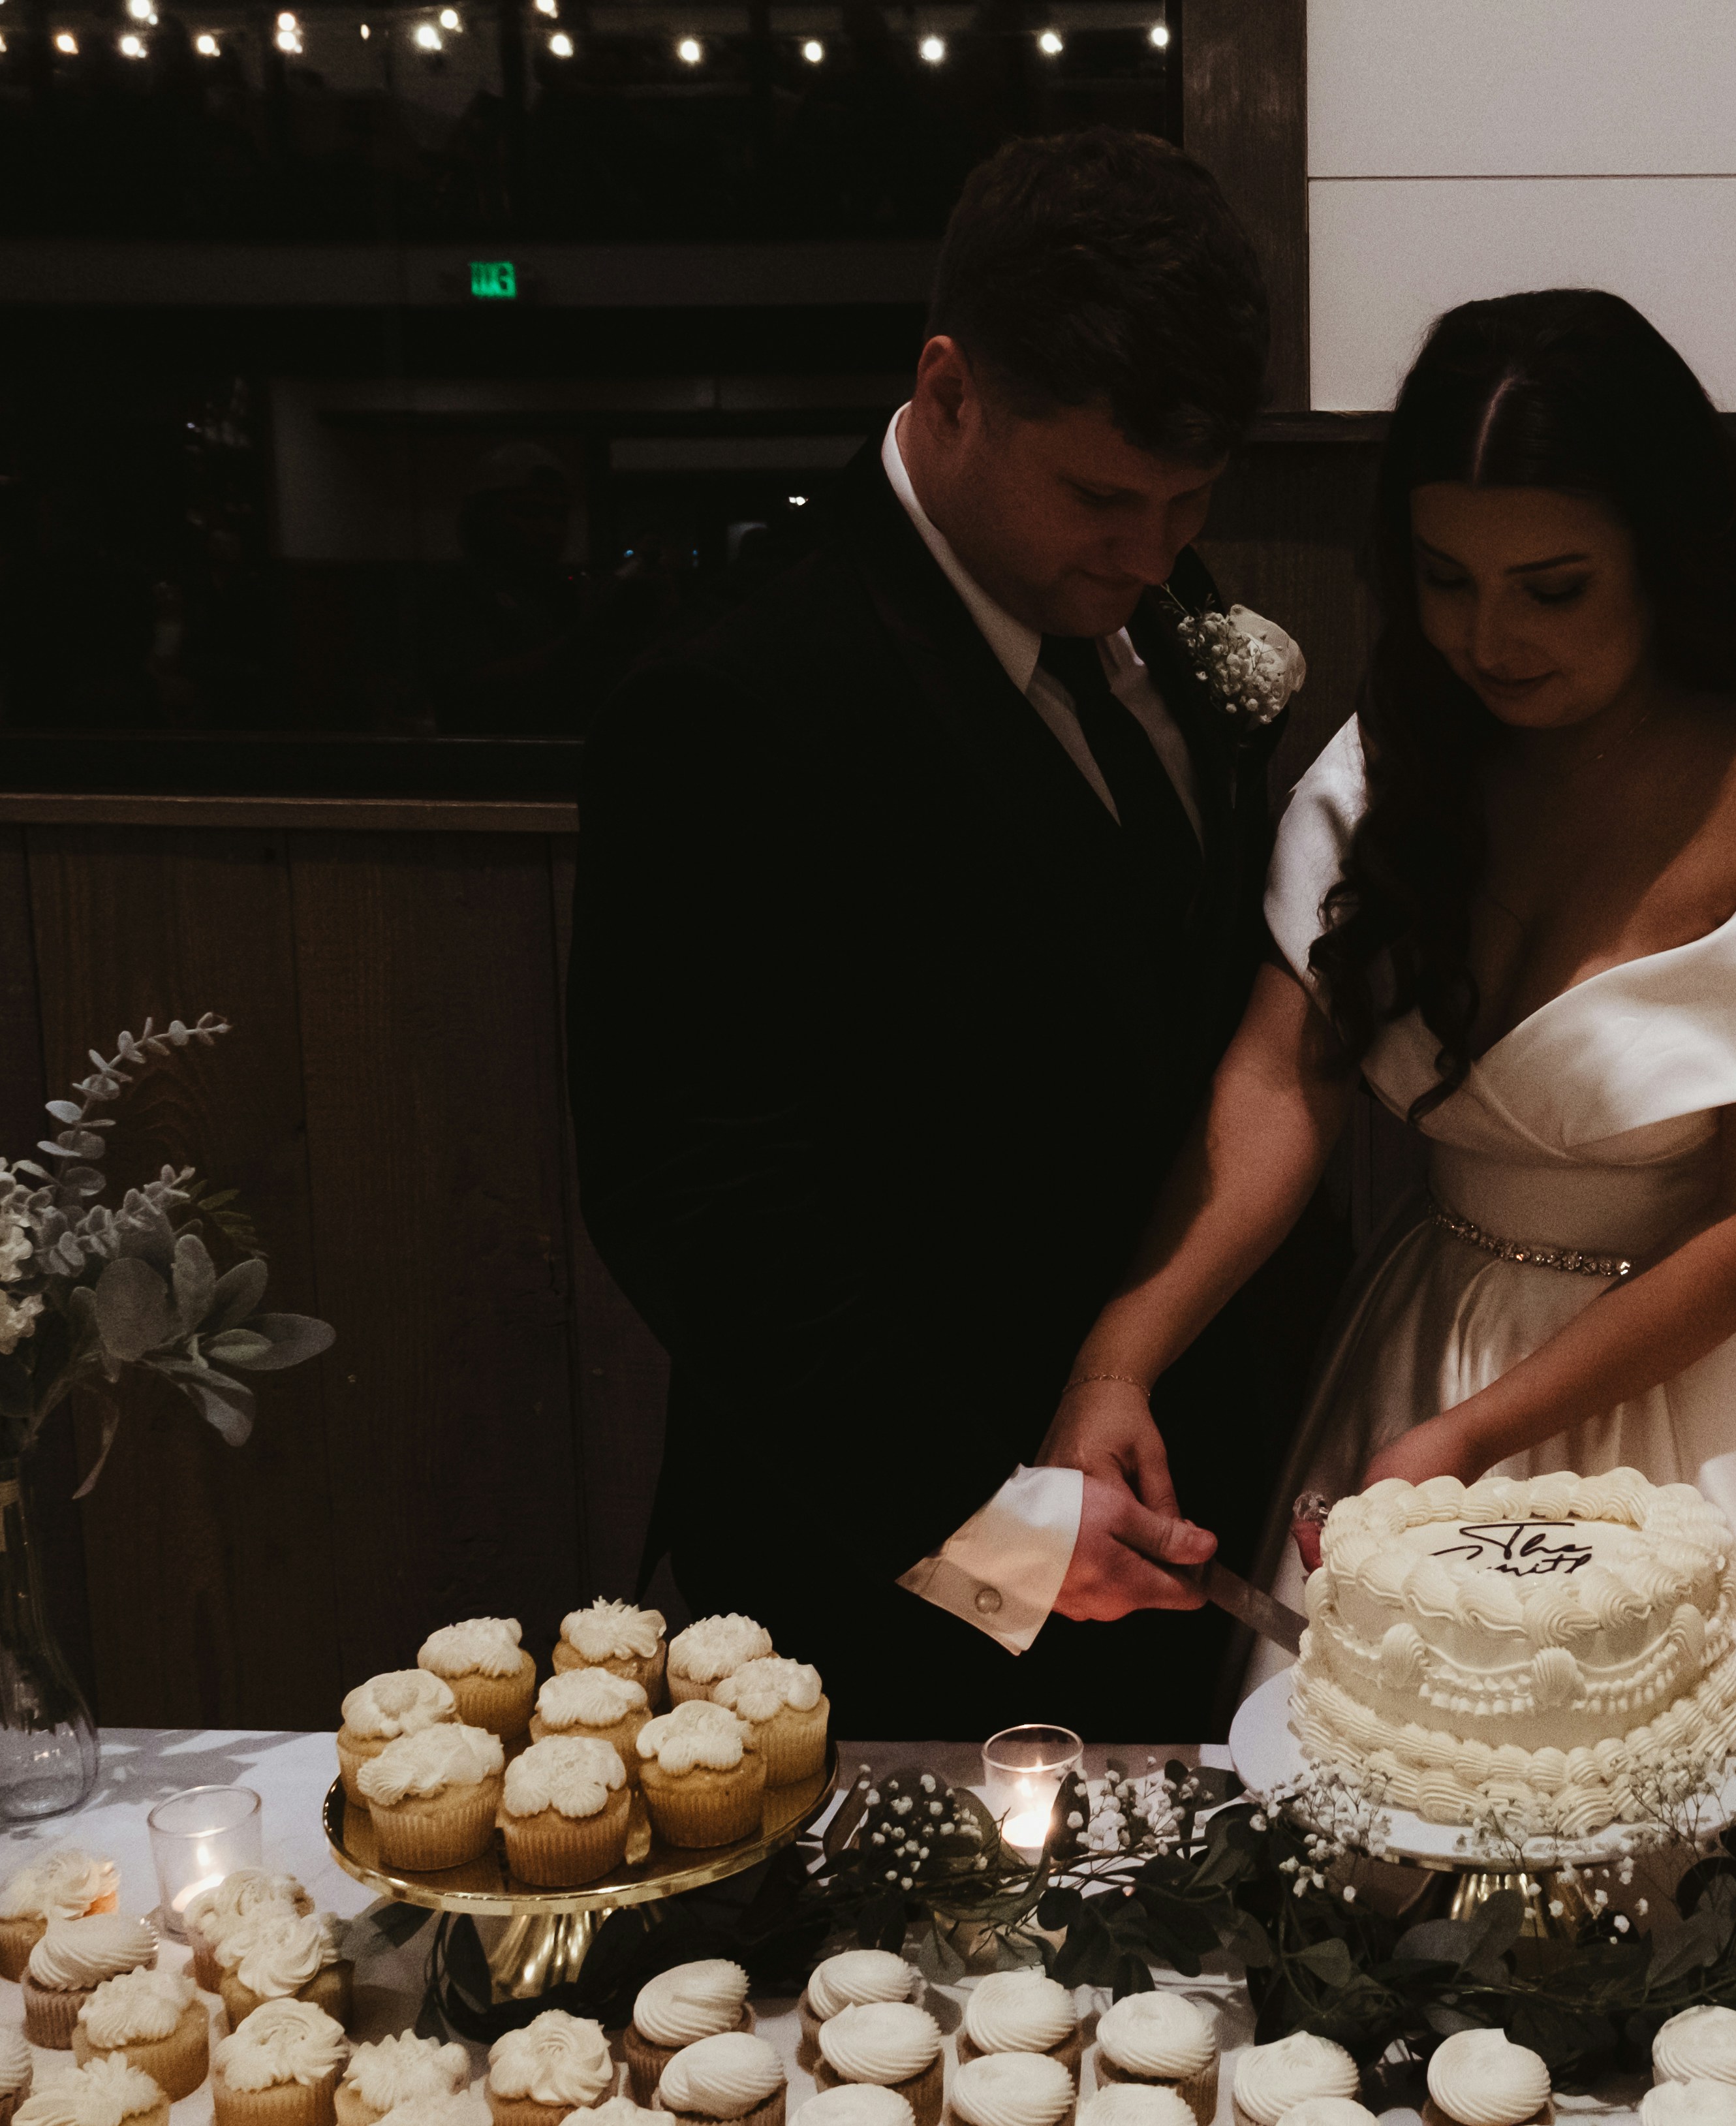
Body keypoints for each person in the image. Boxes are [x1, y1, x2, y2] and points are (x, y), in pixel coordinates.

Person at [1042, 290, 1736, 1750]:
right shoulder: (1402, 754)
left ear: (1664, 557)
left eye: (1553, 587)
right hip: (1432, 1329)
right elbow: (1285, 1074)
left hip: (1727, 1352)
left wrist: (1472, 1441)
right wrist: (1118, 1358)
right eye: (1445, 580)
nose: (1487, 637)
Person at [565, 129, 1314, 1740]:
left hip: (1195, 1499)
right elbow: (694, 1190)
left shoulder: (1163, 624)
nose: (1149, 554)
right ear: (949, 385)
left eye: (1191, 502)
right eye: (1101, 497)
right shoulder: (737, 701)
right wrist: (988, 1537)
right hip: (889, 1566)